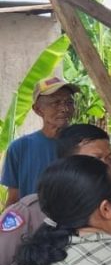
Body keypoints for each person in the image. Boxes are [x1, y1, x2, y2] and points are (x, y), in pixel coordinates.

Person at [0, 124, 111, 265]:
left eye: (110, 159)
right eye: (95, 159)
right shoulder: (30, 211)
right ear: (67, 163)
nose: (106, 167)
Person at [1, 76, 78, 207]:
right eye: (56, 103)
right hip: (32, 220)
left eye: (69, 102)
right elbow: (13, 199)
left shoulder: (83, 144)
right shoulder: (19, 148)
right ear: (38, 109)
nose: (64, 109)